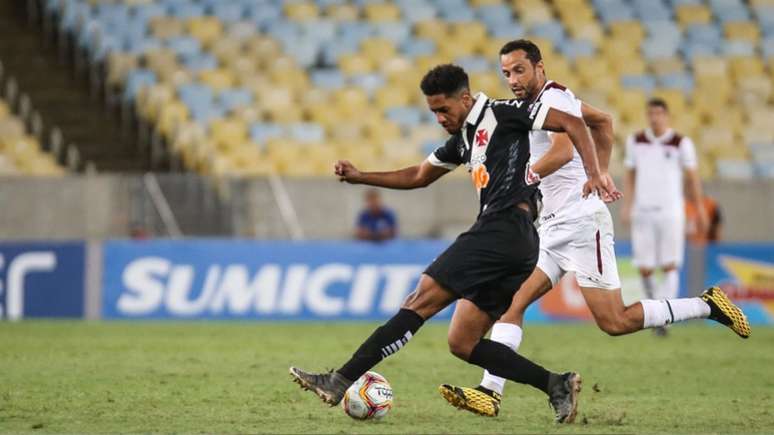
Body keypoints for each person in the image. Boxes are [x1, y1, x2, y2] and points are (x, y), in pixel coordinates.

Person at [439, 40, 750, 418]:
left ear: (540, 67)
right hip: (551, 228)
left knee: (614, 321)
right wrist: (598, 171)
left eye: (519, 70)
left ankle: (706, 305)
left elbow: (563, 150)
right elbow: (603, 121)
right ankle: (490, 392)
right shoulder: (536, 105)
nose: (513, 80)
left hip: (582, 223)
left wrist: (527, 175)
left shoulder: (557, 98)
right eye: (506, 73)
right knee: (510, 304)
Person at [290, 63, 615, 423]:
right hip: (518, 242)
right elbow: (418, 175)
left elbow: (572, 122)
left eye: (444, 110)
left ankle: (339, 380)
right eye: (433, 112)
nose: (440, 118)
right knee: (462, 341)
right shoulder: (463, 140)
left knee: (421, 299)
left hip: (502, 228)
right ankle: (556, 384)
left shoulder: (504, 112)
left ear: (465, 98)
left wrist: (596, 172)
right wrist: (360, 176)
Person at [621, 98, 712, 335]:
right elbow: (630, 176)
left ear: (667, 116)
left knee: (670, 264)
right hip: (643, 211)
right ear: (647, 115)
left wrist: (699, 208)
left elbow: (692, 178)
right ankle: (656, 312)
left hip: (671, 211)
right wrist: (626, 206)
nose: (655, 118)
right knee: (645, 267)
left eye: (659, 113)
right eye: (651, 113)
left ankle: (662, 318)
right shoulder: (636, 141)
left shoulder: (681, 143)